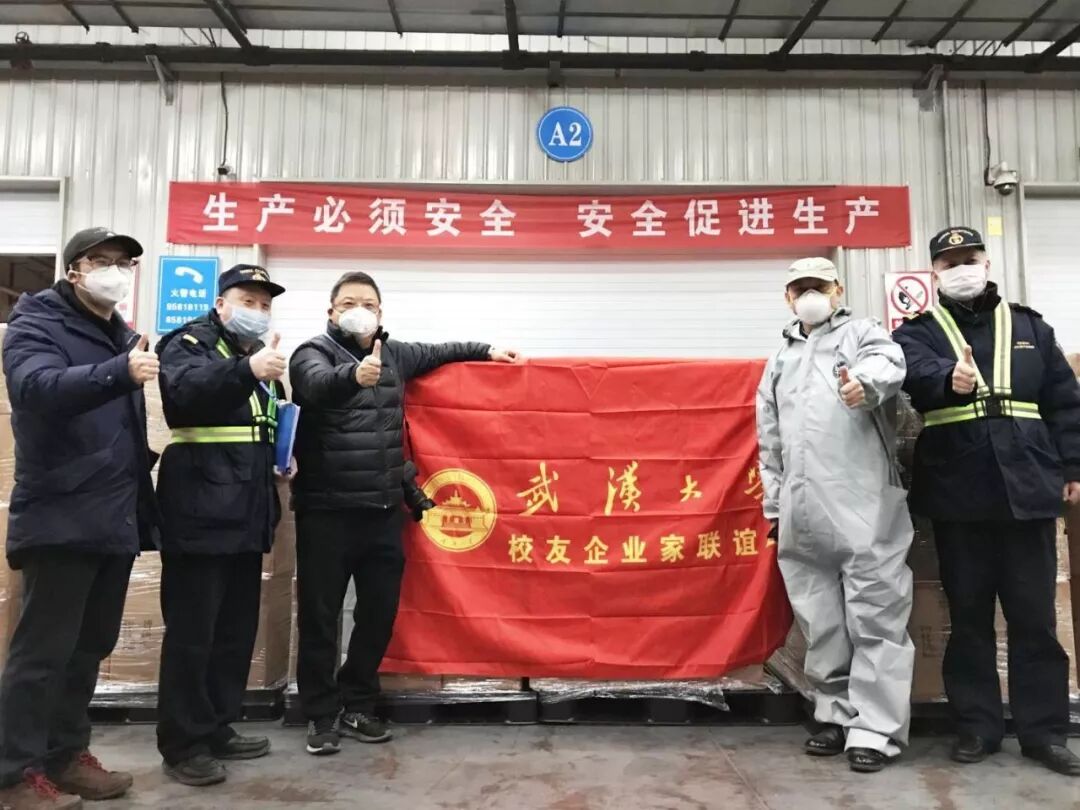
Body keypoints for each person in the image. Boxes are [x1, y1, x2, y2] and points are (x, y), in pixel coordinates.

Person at [288, 271, 519, 756]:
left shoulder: (395, 354)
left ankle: (358, 703)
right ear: (331, 312)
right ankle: (321, 714)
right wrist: (353, 376)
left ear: (380, 313)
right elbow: (313, 386)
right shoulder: (311, 352)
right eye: (348, 303)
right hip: (326, 513)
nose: (358, 310)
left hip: (382, 511)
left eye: (368, 304)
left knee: (377, 616)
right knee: (320, 619)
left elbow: (441, 351)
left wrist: (488, 350)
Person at [894, 227, 1080, 775]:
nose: (961, 268)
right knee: (970, 619)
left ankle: (1044, 733)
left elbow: (1064, 401)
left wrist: (1073, 467)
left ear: (987, 262)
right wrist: (947, 378)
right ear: (934, 272)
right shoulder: (919, 331)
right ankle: (977, 726)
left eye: (968, 258)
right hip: (959, 493)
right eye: (949, 262)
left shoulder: (1030, 327)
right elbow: (912, 375)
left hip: (1028, 488)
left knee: (1034, 619)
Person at [0, 227, 160, 809]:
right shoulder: (38, 322)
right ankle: (12, 774)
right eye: (101, 260)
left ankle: (65, 755)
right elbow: (35, 387)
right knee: (43, 652)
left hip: (113, 516)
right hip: (61, 512)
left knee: (89, 645)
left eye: (123, 262)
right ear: (74, 271)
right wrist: (119, 371)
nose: (115, 271)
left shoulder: (120, 334)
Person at [757, 257, 914, 774]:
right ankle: (835, 714)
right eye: (800, 288)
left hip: (863, 502)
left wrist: (863, 385)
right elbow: (770, 441)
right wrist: (776, 505)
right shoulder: (780, 359)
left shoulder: (862, 334)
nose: (810, 295)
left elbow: (888, 362)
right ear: (787, 297)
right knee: (821, 621)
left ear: (838, 289)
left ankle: (876, 729)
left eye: (818, 286)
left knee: (876, 616)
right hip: (802, 509)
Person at [154, 265, 292, 787]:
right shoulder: (189, 343)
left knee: (233, 630)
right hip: (200, 507)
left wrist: (283, 453)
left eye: (264, 304)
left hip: (247, 507)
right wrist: (250, 369)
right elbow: (185, 393)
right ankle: (183, 744)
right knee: (193, 632)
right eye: (247, 300)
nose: (257, 311)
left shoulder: (254, 356)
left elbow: (262, 420)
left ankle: (215, 725)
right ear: (220, 303)